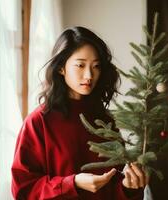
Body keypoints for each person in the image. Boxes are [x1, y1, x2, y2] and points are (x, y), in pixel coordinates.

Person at [11, 26, 148, 200]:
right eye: (80, 65)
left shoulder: (105, 120)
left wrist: (129, 188)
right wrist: (72, 183)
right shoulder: (39, 122)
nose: (89, 75)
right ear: (61, 67)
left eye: (96, 66)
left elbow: (115, 189)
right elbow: (23, 190)